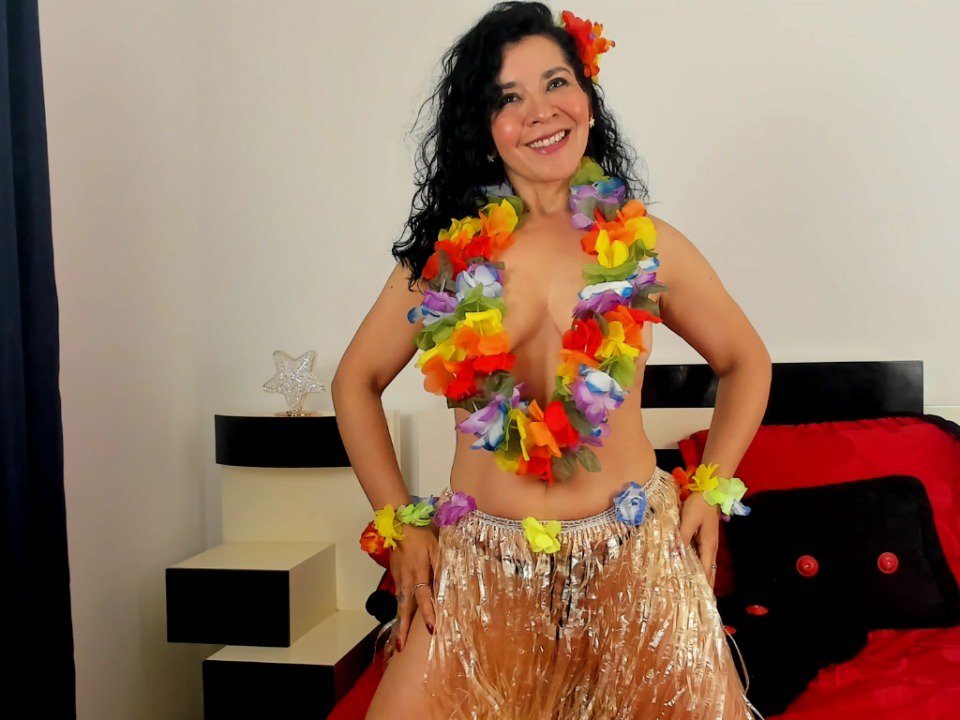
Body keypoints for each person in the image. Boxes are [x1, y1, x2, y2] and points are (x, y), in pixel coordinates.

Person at [332, 3, 772, 718]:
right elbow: (355, 381)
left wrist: (710, 491)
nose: (540, 111)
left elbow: (746, 360)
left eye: (556, 82)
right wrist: (401, 524)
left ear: (588, 101)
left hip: (633, 562)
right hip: (484, 567)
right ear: (484, 127)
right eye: (509, 97)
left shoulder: (645, 246)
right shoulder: (446, 262)